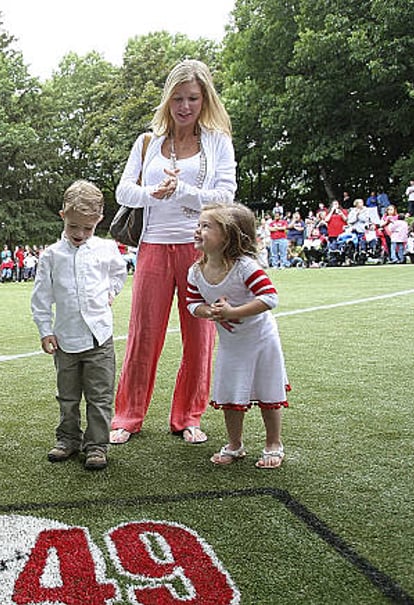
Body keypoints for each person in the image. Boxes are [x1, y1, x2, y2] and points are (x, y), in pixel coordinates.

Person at [111, 59, 237, 445]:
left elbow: (226, 195)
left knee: (199, 334)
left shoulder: (217, 141)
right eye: (178, 98)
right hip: (152, 245)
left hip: (200, 249)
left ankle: (188, 416)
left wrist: (183, 192)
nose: (185, 106)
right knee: (142, 334)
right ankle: (127, 417)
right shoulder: (147, 142)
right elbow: (122, 192)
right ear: (168, 100)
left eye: (193, 99)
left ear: (205, 100)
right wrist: (154, 193)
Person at [31, 181, 128, 470]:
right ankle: (68, 439)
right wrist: (45, 330)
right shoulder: (50, 256)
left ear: (98, 221)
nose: (80, 234)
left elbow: (119, 273)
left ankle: (97, 445)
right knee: (68, 396)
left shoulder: (106, 249)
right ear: (63, 216)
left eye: (87, 228)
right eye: (74, 227)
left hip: (100, 337)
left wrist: (111, 291)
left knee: (100, 396)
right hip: (65, 340)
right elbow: (41, 297)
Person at [186, 203, 288, 469]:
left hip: (261, 340)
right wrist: (209, 311)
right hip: (231, 344)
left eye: (206, 226)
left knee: (268, 391)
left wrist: (233, 312)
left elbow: (269, 298)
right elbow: (191, 302)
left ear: (228, 236)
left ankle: (273, 443)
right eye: (199, 225)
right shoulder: (195, 271)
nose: (198, 231)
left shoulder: (246, 267)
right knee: (230, 391)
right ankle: (234, 444)